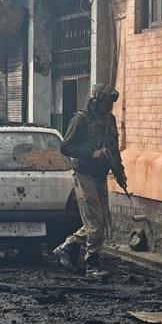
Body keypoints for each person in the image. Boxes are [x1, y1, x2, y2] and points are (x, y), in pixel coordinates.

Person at [52, 84, 126, 278]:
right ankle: (92, 265)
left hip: (101, 176)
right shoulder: (81, 120)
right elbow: (66, 147)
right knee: (94, 225)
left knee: (102, 223)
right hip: (84, 174)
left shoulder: (110, 121)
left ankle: (68, 246)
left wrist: (120, 172)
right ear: (96, 102)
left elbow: (114, 149)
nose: (108, 108)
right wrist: (91, 153)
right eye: (105, 104)